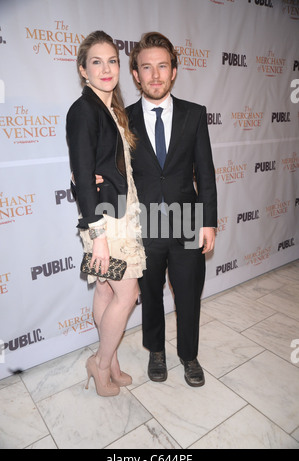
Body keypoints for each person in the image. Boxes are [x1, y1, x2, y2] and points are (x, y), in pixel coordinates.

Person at [97, 32, 217, 387]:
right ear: (135, 74)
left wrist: (209, 221)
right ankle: (156, 351)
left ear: (174, 71)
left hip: (187, 222)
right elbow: (112, 171)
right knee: (148, 294)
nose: (154, 75)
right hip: (143, 224)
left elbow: (206, 172)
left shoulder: (195, 115)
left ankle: (189, 355)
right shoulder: (123, 118)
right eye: (146, 68)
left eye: (162, 66)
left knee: (189, 293)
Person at [66, 31, 146, 397]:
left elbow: (105, 168)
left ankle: (110, 361)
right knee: (126, 295)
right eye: (96, 62)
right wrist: (98, 237)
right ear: (83, 70)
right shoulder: (82, 111)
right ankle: (100, 365)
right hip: (106, 224)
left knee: (103, 290)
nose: (106, 68)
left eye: (112, 60)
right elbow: (83, 176)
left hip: (119, 215)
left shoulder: (111, 108)